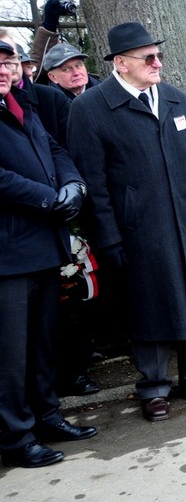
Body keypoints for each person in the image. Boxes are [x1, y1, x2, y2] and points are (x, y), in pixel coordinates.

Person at [67, 22, 186, 422]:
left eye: (159, 55)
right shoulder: (91, 109)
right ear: (121, 63)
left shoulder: (175, 99)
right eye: (148, 58)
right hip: (138, 230)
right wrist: (109, 239)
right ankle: (154, 386)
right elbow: (93, 184)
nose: (158, 63)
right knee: (149, 305)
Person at [0, 39, 98, 469]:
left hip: (43, 244)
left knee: (42, 342)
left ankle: (46, 415)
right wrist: (48, 198)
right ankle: (16, 437)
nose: (4, 70)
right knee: (10, 352)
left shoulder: (21, 104)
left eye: (7, 62)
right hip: (8, 253)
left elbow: (54, 149)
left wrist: (73, 184)